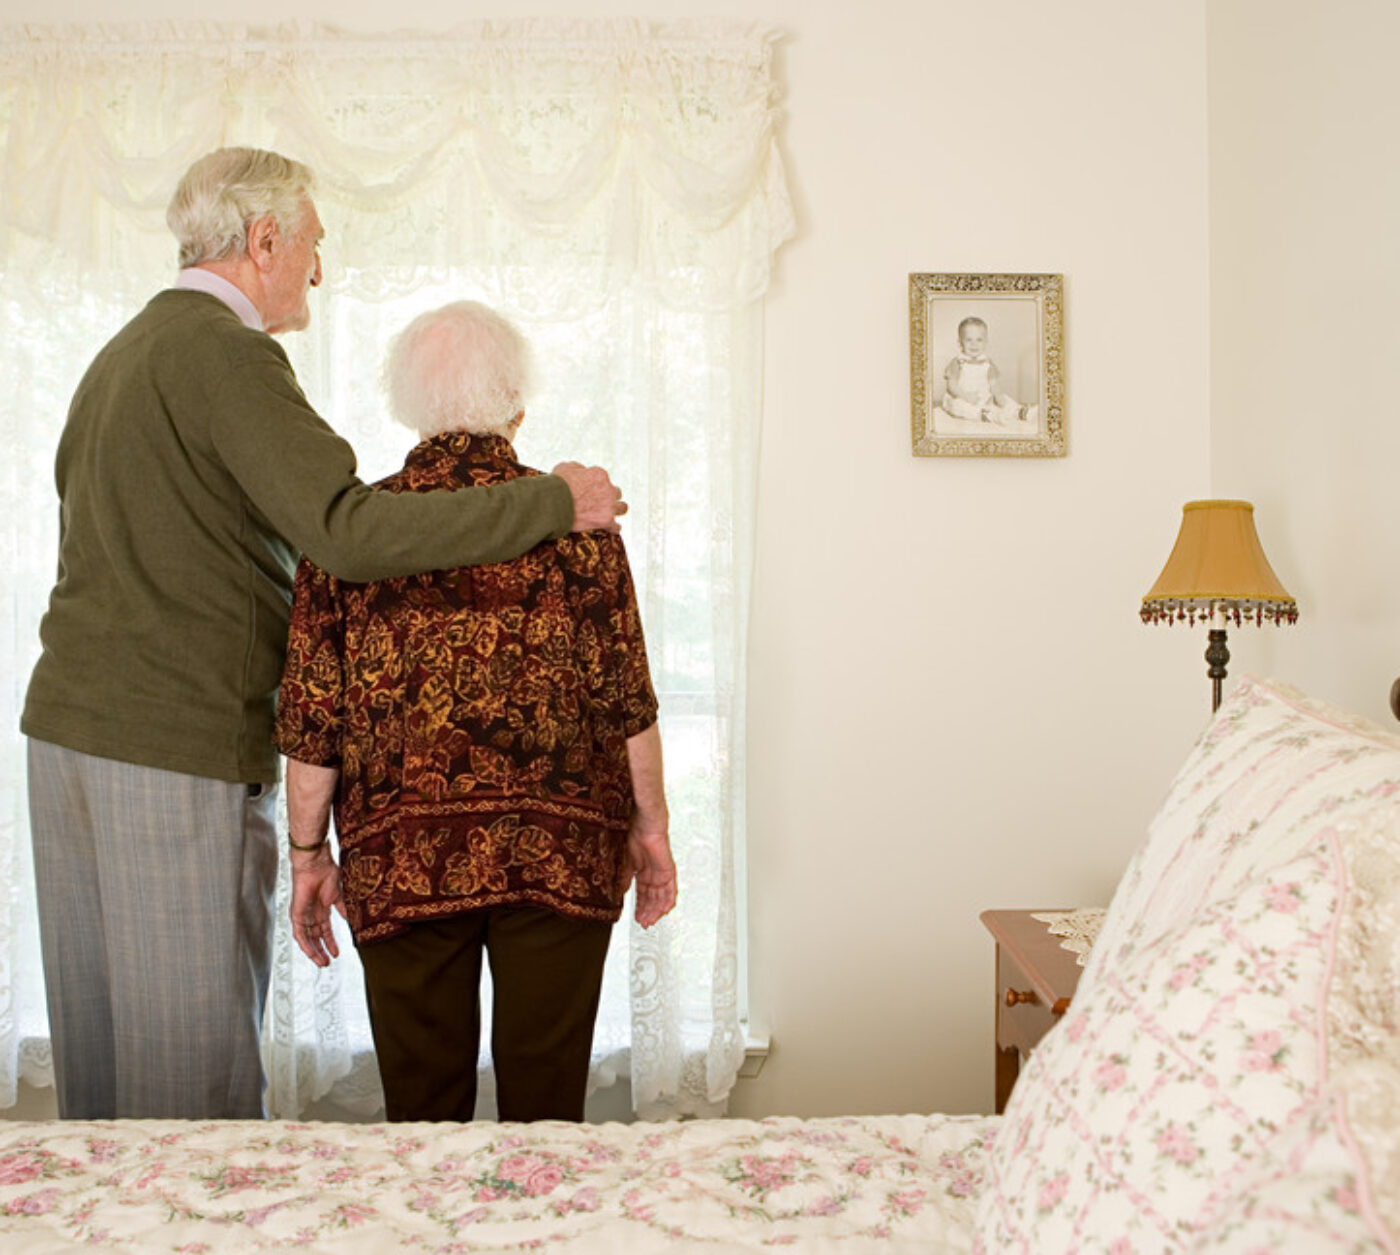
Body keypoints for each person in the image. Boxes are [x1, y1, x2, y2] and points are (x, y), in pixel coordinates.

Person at [20, 147, 626, 1121]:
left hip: (69, 733)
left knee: (102, 1081)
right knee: (191, 1083)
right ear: (264, 240)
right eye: (312, 242)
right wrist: (551, 501)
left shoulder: (127, 351)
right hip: (165, 739)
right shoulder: (223, 353)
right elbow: (349, 531)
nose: (317, 268)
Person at [274, 301, 676, 1123]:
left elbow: (314, 721)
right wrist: (653, 827)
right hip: (560, 850)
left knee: (423, 1118)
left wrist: (307, 854)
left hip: (402, 855)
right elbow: (626, 696)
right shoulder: (578, 520)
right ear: (515, 406)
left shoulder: (350, 536)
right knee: (546, 1113)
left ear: (409, 408)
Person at [940, 315, 1029, 425]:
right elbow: (951, 385)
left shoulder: (987, 363)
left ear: (986, 342)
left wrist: (998, 396)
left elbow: (993, 384)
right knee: (957, 406)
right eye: (969, 340)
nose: (974, 344)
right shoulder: (958, 362)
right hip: (962, 397)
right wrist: (966, 397)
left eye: (979, 340)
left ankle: (1018, 411)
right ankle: (983, 415)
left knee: (1003, 398)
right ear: (960, 343)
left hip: (985, 398)